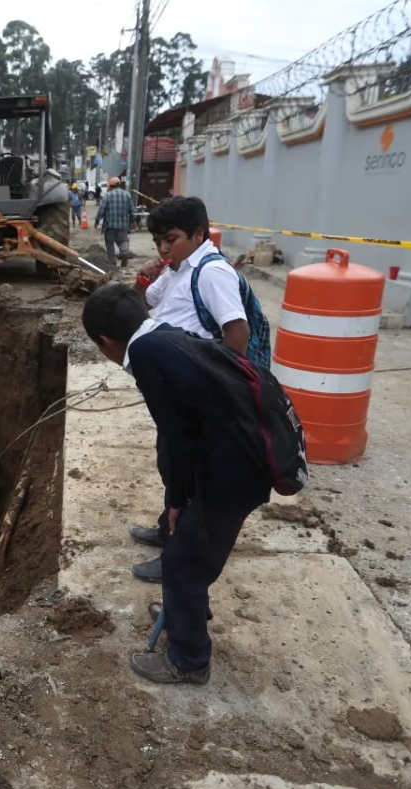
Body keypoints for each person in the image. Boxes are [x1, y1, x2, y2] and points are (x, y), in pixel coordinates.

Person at [81, 283, 272, 684]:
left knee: (183, 563)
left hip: (234, 469)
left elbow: (176, 437)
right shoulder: (164, 335)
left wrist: (176, 498)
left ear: (105, 342)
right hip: (234, 459)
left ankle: (188, 661)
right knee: (189, 549)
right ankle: (185, 611)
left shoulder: (147, 355)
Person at [127, 195, 269, 582]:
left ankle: (177, 553)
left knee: (188, 473)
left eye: (170, 239)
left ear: (199, 233)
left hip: (199, 393)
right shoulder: (178, 268)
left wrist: (215, 390)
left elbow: (236, 332)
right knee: (171, 461)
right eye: (157, 241)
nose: (163, 248)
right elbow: (144, 303)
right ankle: (166, 528)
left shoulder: (211, 272)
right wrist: (144, 278)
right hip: (177, 387)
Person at [96, 176, 133, 268]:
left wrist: (97, 220)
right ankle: (124, 253)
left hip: (110, 226)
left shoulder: (108, 195)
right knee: (123, 240)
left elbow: (101, 210)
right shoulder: (127, 195)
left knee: (109, 244)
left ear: (110, 186)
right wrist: (133, 221)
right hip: (123, 226)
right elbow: (132, 210)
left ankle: (113, 263)